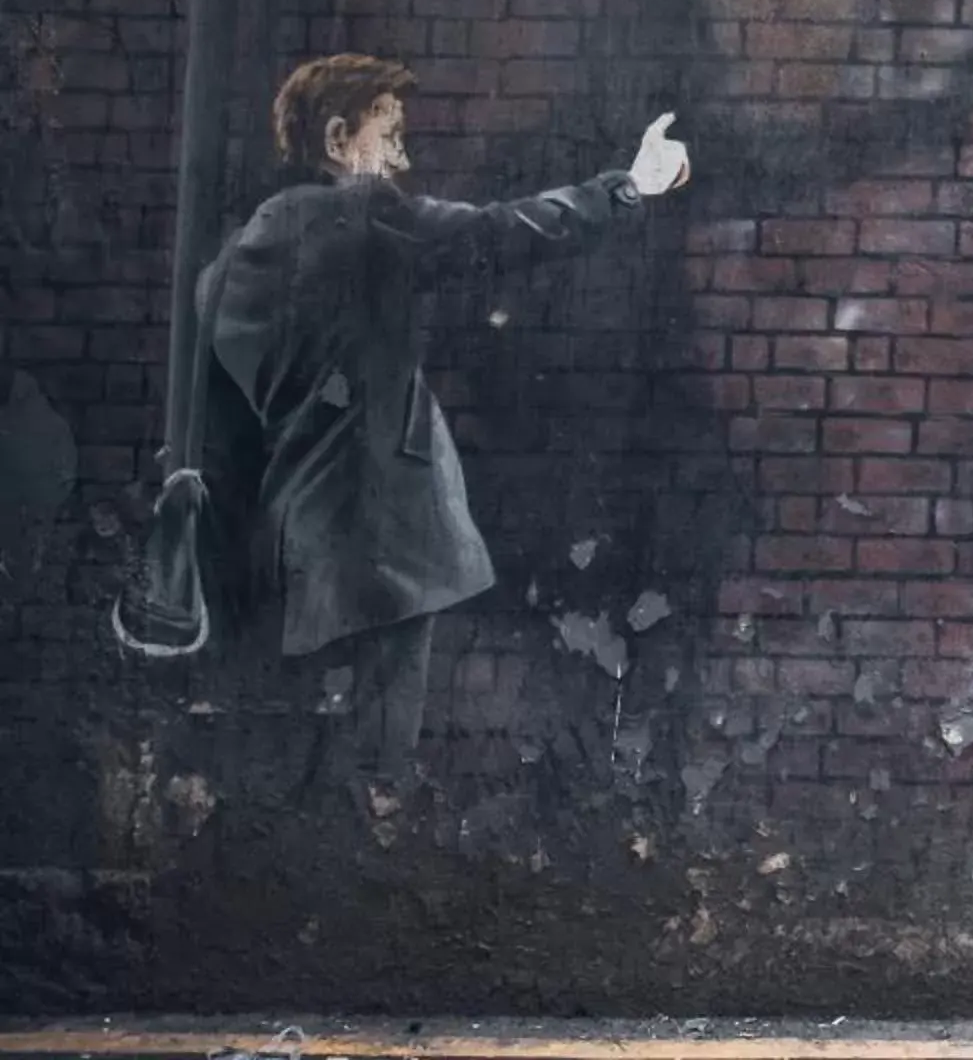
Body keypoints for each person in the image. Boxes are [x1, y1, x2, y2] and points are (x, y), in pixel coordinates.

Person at [117, 55, 693, 779]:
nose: (402, 158)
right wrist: (627, 188)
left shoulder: (231, 261)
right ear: (337, 139)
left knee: (294, 756)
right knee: (378, 756)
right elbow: (496, 232)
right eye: (389, 136)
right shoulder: (363, 214)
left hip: (282, 547)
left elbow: (222, 430)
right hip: (382, 539)